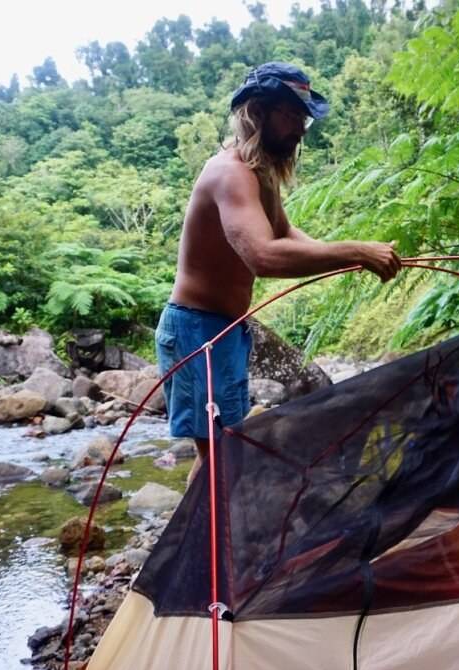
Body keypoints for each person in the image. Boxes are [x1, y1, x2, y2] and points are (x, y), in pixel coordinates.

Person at [156, 62, 401, 483]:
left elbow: (285, 232)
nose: (300, 128)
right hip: (196, 331)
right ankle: (198, 545)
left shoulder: (259, 173)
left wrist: (354, 256)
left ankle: (206, 542)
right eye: (290, 114)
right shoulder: (231, 173)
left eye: (303, 117)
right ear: (259, 111)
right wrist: (356, 252)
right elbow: (263, 256)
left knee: (220, 449)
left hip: (226, 330)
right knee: (217, 455)